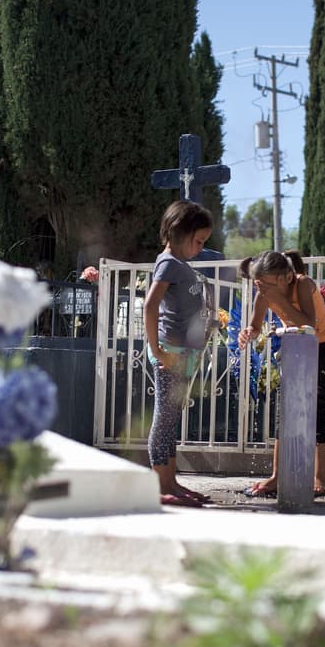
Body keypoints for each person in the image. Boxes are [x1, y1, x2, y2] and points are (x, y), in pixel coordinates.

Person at [237, 250, 325, 497]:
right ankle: (277, 475)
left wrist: (278, 301)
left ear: (286, 277)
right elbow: (256, 325)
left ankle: (320, 478)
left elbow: (308, 325)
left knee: (317, 407)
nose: (263, 290)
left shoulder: (302, 284)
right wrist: (248, 332)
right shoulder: (265, 293)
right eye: (260, 285)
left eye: (267, 284)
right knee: (285, 409)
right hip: (293, 345)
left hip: (320, 344)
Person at [143, 200, 215, 508]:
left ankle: (171, 481)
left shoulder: (180, 264)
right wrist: (157, 350)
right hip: (170, 352)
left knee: (170, 419)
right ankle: (160, 484)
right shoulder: (169, 262)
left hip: (183, 352)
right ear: (178, 232)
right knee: (164, 417)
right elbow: (150, 305)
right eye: (197, 241)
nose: (200, 247)